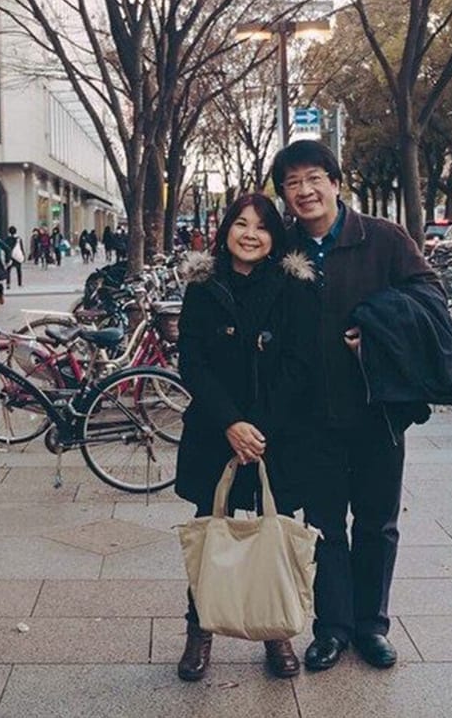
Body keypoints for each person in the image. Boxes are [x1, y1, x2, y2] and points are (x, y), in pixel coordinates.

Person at [272, 139, 442, 673]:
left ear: (336, 183)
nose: (305, 190)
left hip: (377, 412)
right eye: (292, 182)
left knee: (377, 523)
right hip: (310, 418)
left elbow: (430, 301)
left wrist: (376, 329)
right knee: (323, 525)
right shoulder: (282, 249)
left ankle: (372, 626)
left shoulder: (384, 240)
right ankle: (332, 629)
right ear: (283, 193)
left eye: (313, 177)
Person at [174, 192, 318, 683]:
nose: (250, 234)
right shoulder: (203, 284)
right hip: (217, 430)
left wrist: (260, 428)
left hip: (277, 433)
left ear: (275, 236)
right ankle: (200, 630)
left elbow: (301, 364)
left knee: (274, 526)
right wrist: (231, 423)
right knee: (210, 526)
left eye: (261, 226)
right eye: (240, 224)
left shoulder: (293, 286)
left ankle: (276, 630)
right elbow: (192, 362)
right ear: (225, 230)